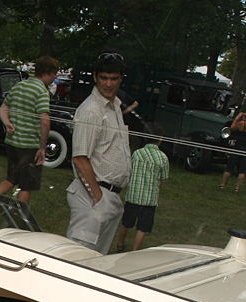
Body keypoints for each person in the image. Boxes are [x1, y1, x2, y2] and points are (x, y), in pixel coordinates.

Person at [0, 56, 60, 222]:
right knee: (27, 184)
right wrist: (42, 148)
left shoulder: (19, 86)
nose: (56, 77)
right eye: (55, 73)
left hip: (13, 143)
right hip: (29, 144)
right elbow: (45, 121)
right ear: (47, 73)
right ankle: (19, 219)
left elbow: (3, 108)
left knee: (12, 178)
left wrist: (7, 123)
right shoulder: (41, 91)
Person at [65, 50, 132, 254]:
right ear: (95, 77)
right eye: (103, 78)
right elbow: (79, 158)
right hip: (93, 196)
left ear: (121, 79)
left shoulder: (114, 107)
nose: (108, 84)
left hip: (109, 196)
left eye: (113, 78)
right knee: (77, 259)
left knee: (96, 263)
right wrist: (98, 198)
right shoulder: (92, 110)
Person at [115, 123, 169, 252]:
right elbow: (163, 178)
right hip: (149, 199)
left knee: (126, 222)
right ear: (160, 139)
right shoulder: (163, 158)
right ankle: (135, 250)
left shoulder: (136, 154)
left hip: (133, 196)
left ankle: (120, 244)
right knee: (143, 227)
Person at [218, 106, 246, 194]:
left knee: (230, 167)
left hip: (238, 147)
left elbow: (232, 128)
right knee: (243, 170)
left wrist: (237, 118)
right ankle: (237, 188)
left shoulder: (242, 124)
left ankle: (222, 185)